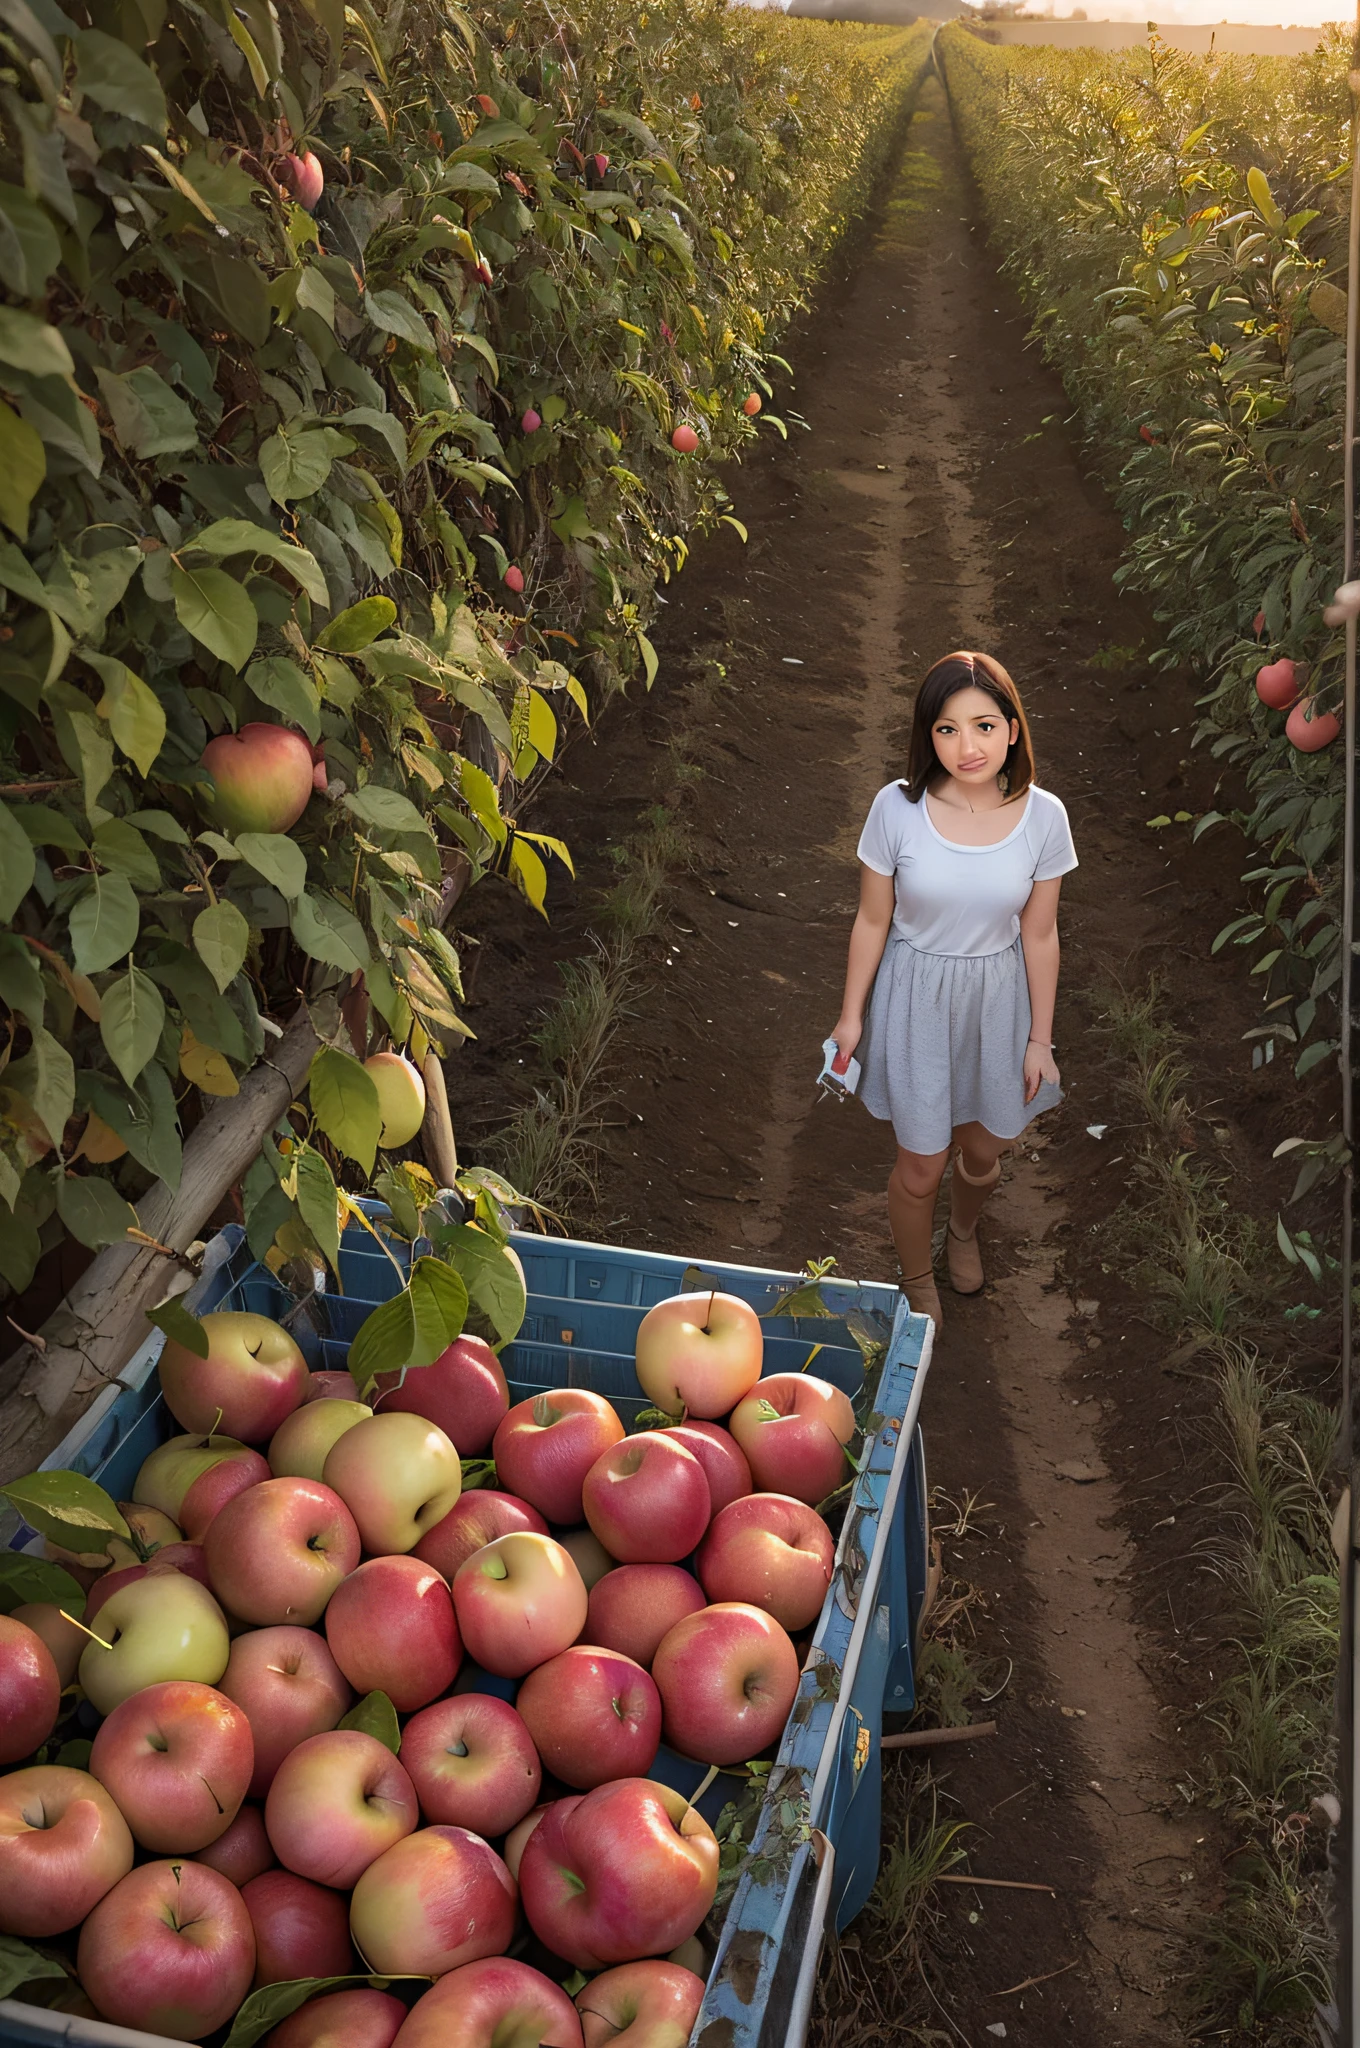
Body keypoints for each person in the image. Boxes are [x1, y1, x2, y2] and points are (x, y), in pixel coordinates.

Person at [829, 650, 1077, 1331]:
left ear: (1013, 730)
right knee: (920, 1165)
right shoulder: (897, 809)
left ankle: (962, 1232)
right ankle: (917, 1281)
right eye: (946, 729)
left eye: (985, 726)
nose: (967, 747)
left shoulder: (1044, 817)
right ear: (926, 735)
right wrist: (851, 1017)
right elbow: (874, 918)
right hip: (915, 998)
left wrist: (1039, 1040)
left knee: (983, 1149)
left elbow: (1041, 936)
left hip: (996, 1001)